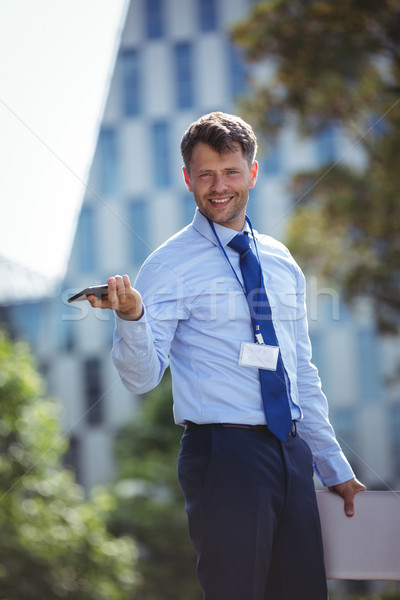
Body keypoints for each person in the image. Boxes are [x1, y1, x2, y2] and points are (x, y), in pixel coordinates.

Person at [88, 112, 366, 599]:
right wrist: (132, 318)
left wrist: (333, 466)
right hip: (223, 455)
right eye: (206, 174)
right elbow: (140, 378)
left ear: (252, 173)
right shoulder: (167, 265)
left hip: (291, 452)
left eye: (231, 172)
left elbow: (300, 372)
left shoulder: (281, 262)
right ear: (187, 179)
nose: (219, 186)